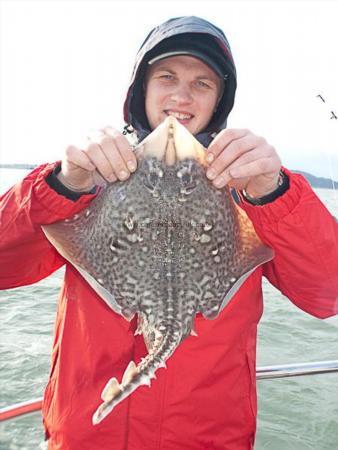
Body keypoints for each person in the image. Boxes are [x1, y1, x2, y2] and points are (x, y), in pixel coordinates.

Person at [1, 15, 337, 450]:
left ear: (219, 100)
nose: (182, 95)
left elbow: (327, 293)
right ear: (141, 89)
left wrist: (273, 194)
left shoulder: (249, 185)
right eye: (166, 76)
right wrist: (64, 185)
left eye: (202, 83)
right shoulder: (92, 176)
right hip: (86, 437)